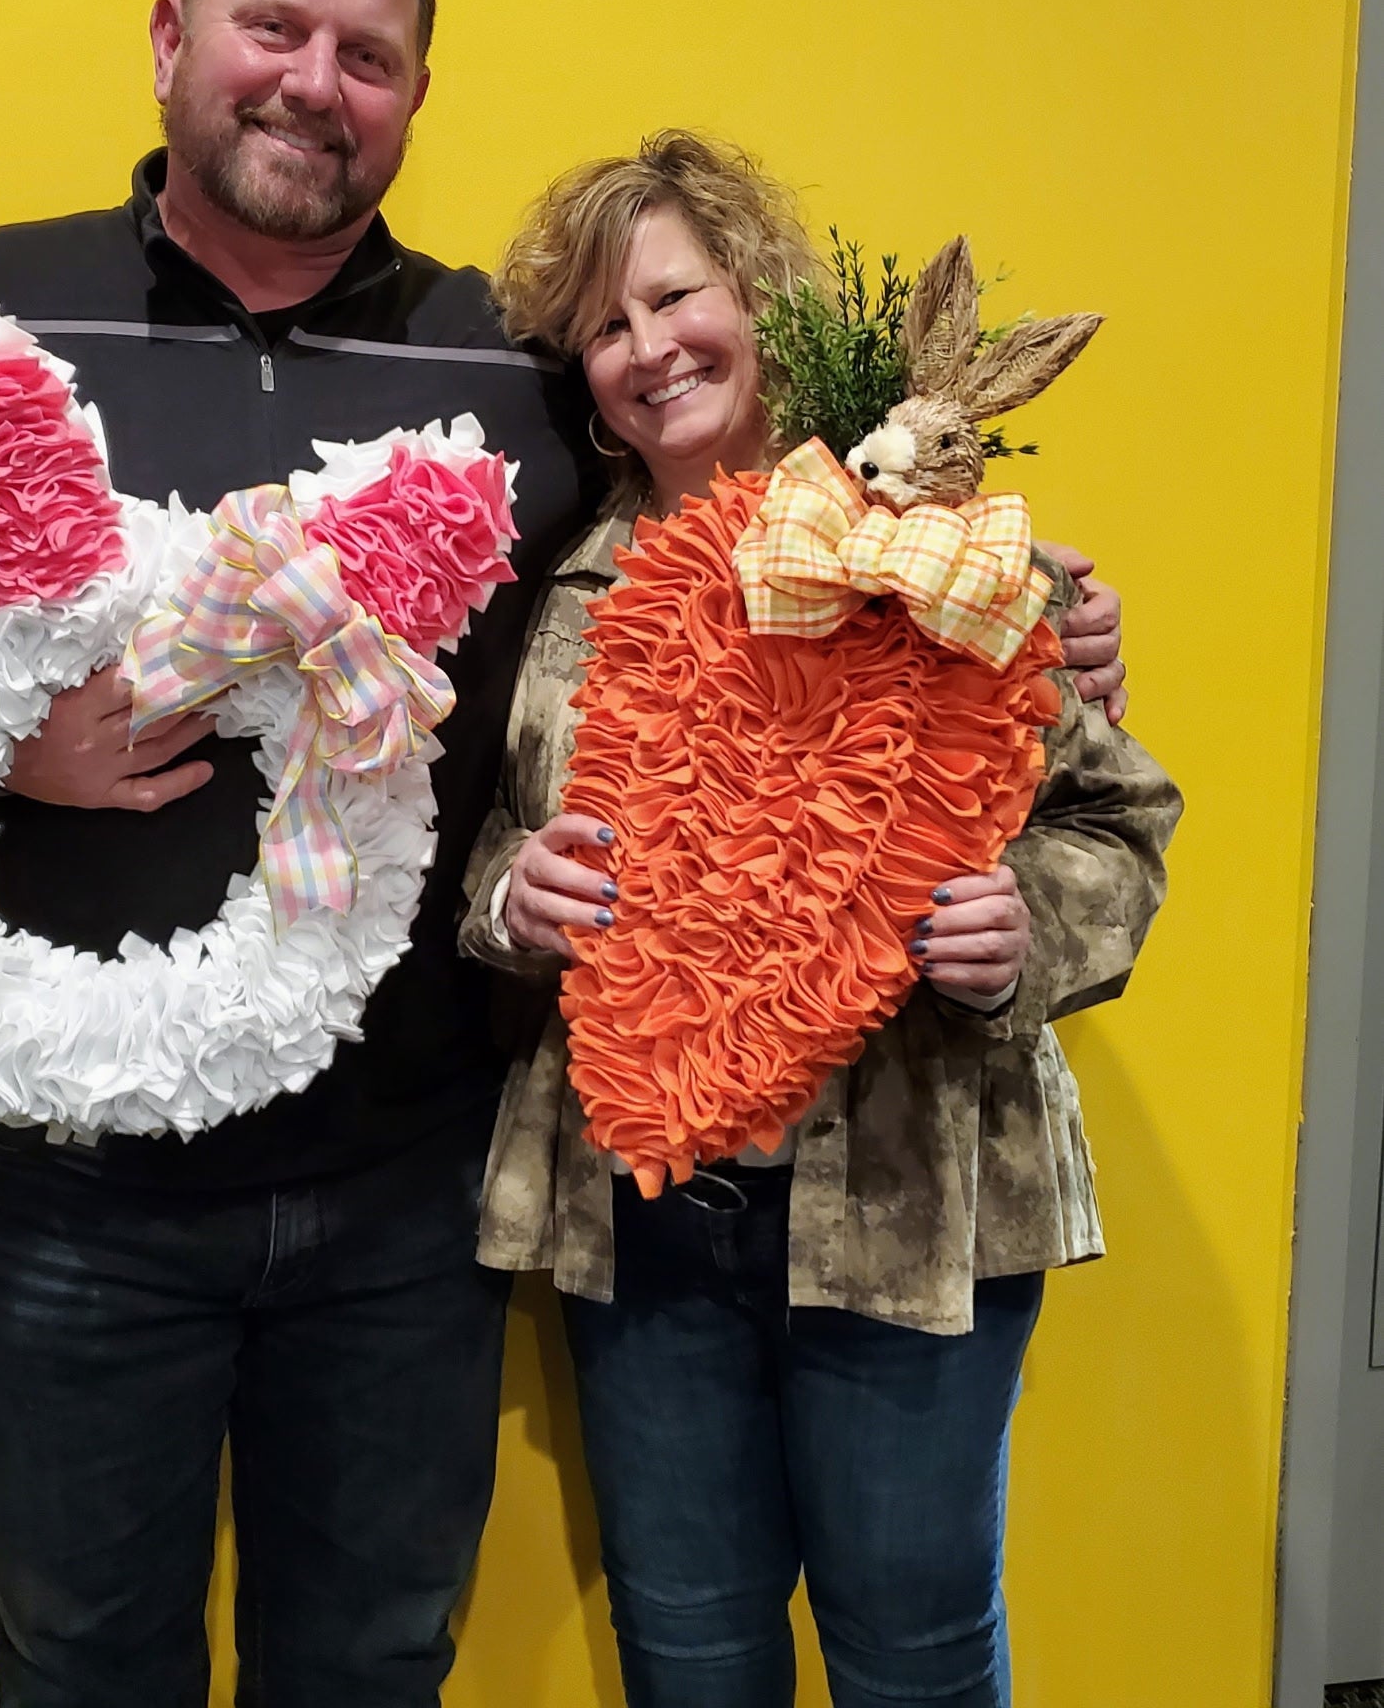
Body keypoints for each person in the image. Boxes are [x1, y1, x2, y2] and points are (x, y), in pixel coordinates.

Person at [0, 0, 1127, 1705]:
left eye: (365, 53)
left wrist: (1019, 606)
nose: (314, 83)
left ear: (414, 93)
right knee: (77, 1662)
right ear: (173, 36)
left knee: (378, 1664)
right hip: (70, 1190)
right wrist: (7, 749)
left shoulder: (512, 372)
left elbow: (741, 545)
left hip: (404, 1193)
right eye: (272, 28)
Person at [461, 131, 1180, 1708]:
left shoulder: (942, 553)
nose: (648, 349)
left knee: (913, 1659)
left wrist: (1023, 930)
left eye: (674, 297)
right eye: (604, 325)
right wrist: (510, 895)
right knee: (690, 1660)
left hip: (912, 1206)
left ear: (757, 298)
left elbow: (1117, 827)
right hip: (641, 1218)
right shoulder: (553, 591)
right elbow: (475, 842)